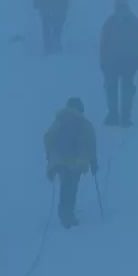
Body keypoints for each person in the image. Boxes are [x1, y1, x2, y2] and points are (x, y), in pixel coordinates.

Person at [43, 98, 98, 228]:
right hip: (77, 161)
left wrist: (50, 155)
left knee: (64, 185)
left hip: (61, 160)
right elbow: (91, 143)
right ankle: (69, 215)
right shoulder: (84, 123)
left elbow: (48, 137)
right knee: (72, 188)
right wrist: (93, 162)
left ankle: (63, 212)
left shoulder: (60, 120)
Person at [100, 0, 138, 127]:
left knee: (127, 90)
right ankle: (113, 115)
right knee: (111, 89)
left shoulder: (136, 24)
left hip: (129, 63)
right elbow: (103, 43)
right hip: (111, 63)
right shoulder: (109, 23)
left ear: (127, 8)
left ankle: (125, 116)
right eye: (119, 8)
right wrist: (102, 61)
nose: (121, 10)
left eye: (123, 7)